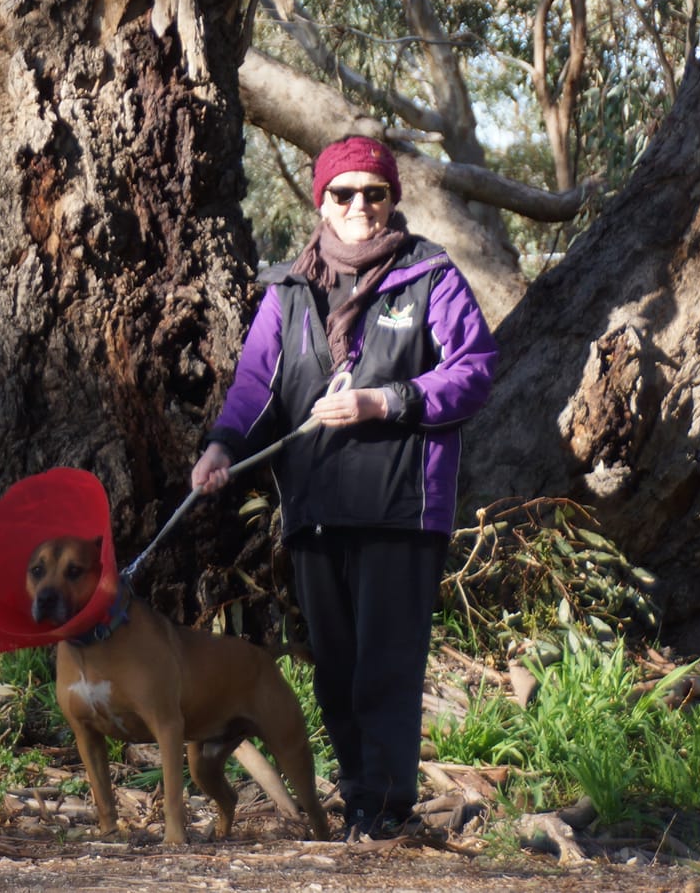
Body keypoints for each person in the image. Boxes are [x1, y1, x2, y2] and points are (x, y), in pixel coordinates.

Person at [192, 135, 497, 841]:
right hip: (316, 510)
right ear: (318, 199)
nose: (359, 205)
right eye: (343, 192)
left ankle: (384, 811)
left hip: (401, 509)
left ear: (393, 199)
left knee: (384, 668)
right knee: (334, 669)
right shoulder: (290, 288)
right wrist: (222, 448)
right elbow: (254, 387)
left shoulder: (431, 275)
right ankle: (360, 798)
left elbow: (475, 368)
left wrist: (386, 400)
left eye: (375, 192)